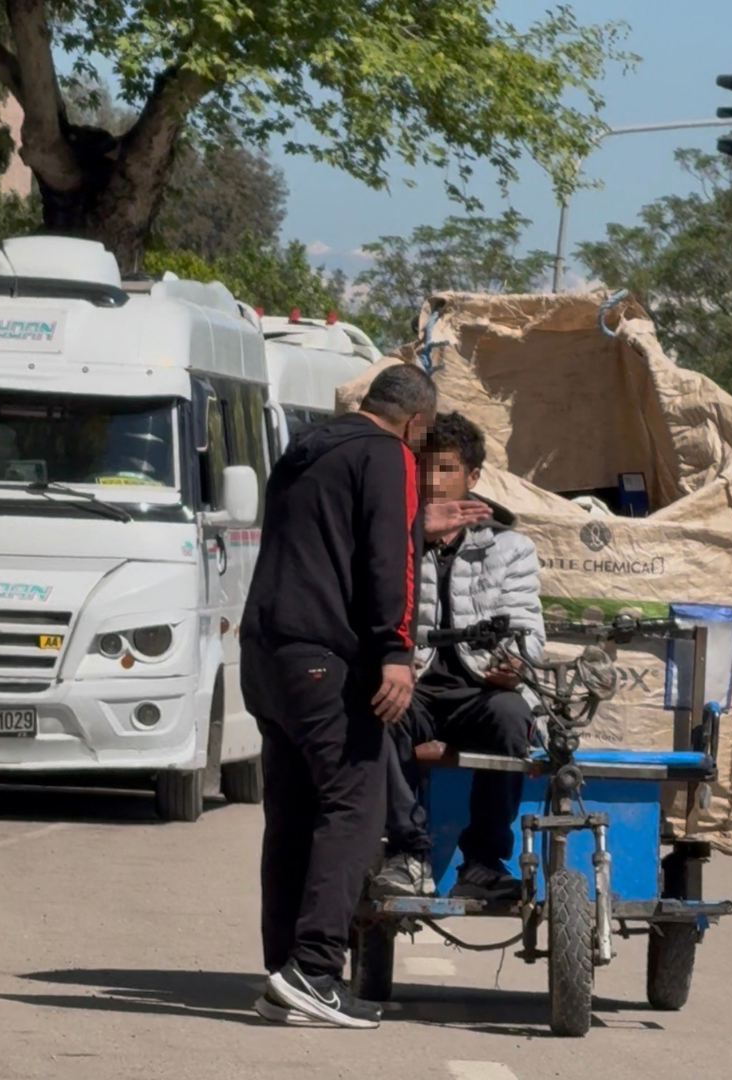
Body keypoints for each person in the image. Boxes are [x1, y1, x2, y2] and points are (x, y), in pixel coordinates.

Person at [239, 363, 487, 1030]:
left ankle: (284, 974)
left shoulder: (309, 448)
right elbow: (388, 561)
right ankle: (316, 970)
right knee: (354, 803)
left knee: (292, 811)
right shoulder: (387, 453)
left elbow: (335, 536)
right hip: (324, 656)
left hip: (267, 656)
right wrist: (396, 652)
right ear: (414, 423)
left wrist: (415, 519)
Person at [370, 412, 546, 903]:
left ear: (471, 478)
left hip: (480, 691)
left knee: (513, 717)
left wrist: (516, 665)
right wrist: (411, 536)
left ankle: (485, 861)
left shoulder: (510, 547)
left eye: (445, 468)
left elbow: (529, 629)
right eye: (423, 467)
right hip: (418, 687)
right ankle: (408, 853)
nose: (432, 479)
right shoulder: (392, 541)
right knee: (385, 709)